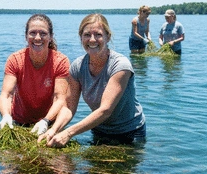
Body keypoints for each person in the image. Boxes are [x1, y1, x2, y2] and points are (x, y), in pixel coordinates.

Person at [38, 13, 146, 147]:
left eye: (98, 35)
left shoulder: (120, 65)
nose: (92, 40)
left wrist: (68, 133)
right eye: (87, 35)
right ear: (81, 37)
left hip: (130, 133)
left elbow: (105, 110)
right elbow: (68, 107)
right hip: (99, 130)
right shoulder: (77, 66)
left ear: (108, 37)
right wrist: (53, 130)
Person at [0, 14, 70, 135]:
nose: (37, 38)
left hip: (49, 124)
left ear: (51, 37)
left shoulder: (61, 62)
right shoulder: (15, 60)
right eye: (32, 33)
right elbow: (6, 95)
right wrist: (6, 115)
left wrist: (46, 121)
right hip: (18, 124)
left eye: (43, 33)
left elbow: (60, 98)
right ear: (26, 36)